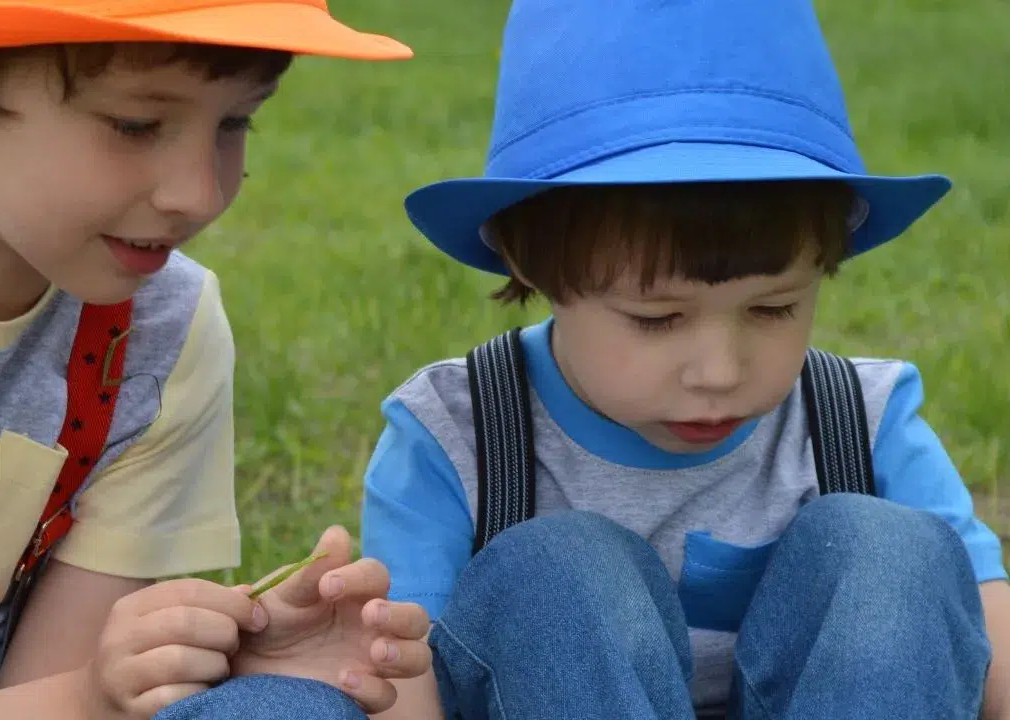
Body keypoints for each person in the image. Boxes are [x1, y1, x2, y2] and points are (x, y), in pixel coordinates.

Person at [0, 1, 432, 719]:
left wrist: (197, 659)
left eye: (233, 123)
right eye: (135, 125)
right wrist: (87, 694)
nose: (198, 193)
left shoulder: (158, 328)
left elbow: (59, 701)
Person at [359, 0, 1010, 718]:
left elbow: (985, 624)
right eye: (656, 318)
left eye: (773, 309)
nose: (720, 372)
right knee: (557, 572)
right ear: (527, 260)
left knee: (895, 552)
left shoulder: (861, 421)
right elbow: (401, 678)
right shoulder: (455, 437)